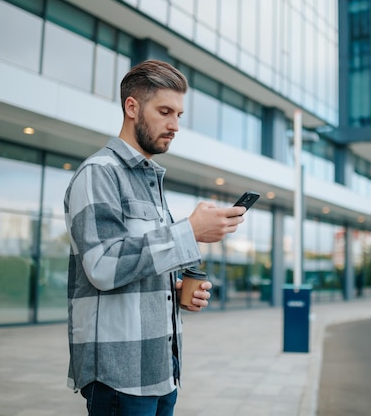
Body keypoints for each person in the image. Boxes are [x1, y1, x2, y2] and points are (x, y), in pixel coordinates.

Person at [64, 59, 247, 416]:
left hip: (162, 370)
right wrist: (190, 231)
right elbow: (103, 266)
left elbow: (137, 265)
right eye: (165, 112)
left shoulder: (150, 182)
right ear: (132, 107)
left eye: (179, 115)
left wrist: (174, 294)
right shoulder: (98, 173)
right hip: (121, 376)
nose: (175, 125)